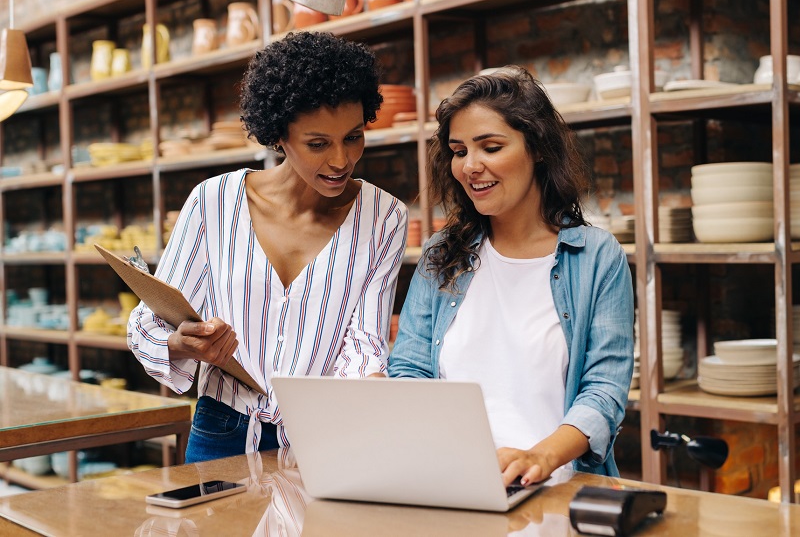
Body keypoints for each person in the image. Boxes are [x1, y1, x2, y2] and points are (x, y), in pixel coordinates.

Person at [128, 32, 408, 463]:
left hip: (326, 436)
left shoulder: (384, 216)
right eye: (318, 144)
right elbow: (152, 322)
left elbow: (364, 343)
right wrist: (186, 344)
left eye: (353, 136)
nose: (340, 160)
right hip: (221, 429)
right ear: (279, 135)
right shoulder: (213, 202)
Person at [388, 65, 633, 485]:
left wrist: (540, 457)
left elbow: (604, 390)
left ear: (536, 147)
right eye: (460, 151)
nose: (470, 166)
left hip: (553, 486)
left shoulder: (595, 257)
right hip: (452, 483)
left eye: (491, 147)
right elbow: (409, 369)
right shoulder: (441, 253)